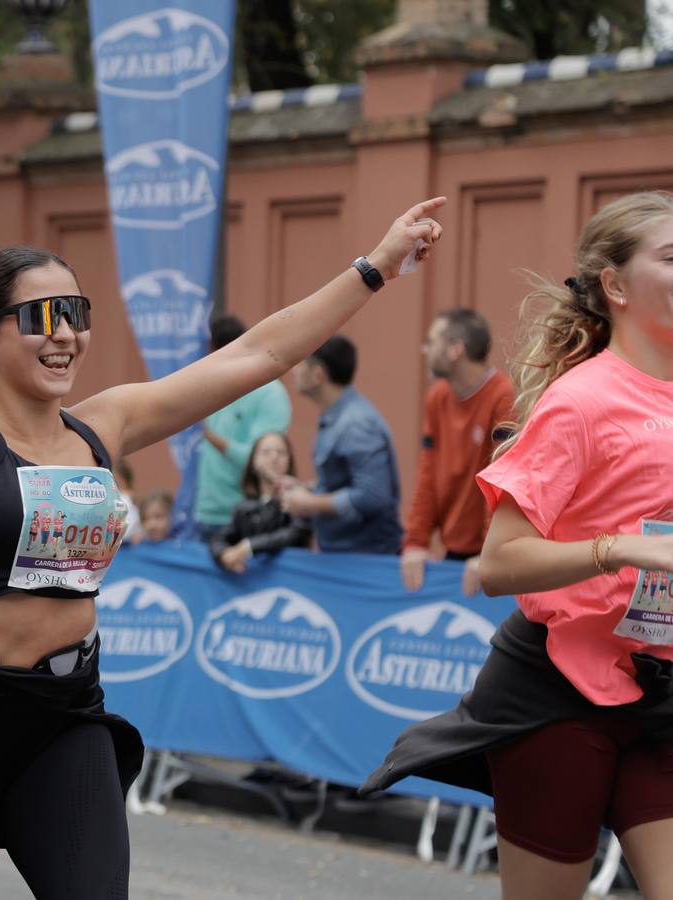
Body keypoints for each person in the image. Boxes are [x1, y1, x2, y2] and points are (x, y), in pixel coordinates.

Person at [0, 148, 443, 898]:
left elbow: (257, 353)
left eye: (75, 314)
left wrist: (377, 267)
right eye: (40, 317)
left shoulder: (105, 425)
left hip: (65, 721)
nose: (65, 334)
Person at [363, 191, 673, 900]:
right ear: (616, 286)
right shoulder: (581, 400)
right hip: (557, 693)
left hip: (658, 690)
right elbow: (499, 563)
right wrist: (620, 549)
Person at [400, 309, 514, 596]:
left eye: (432, 341)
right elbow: (428, 474)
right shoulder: (437, 397)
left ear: (455, 349)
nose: (424, 349)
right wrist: (416, 543)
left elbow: (505, 479)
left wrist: (492, 553)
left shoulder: (503, 396)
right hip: (455, 551)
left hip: (491, 554)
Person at [280, 335, 403, 554]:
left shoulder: (356, 424)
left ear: (318, 375)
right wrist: (308, 490)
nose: (294, 370)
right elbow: (342, 483)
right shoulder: (337, 416)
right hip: (345, 555)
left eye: (301, 363)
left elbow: (372, 497)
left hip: (366, 560)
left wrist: (309, 504)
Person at [193, 315, 292, 543]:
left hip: (247, 516)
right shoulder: (212, 385)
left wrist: (213, 438)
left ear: (216, 349)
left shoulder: (270, 394)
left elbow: (262, 460)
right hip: (203, 514)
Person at [211, 432, 312, 574]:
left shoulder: (300, 499)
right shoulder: (243, 507)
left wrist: (248, 547)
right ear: (253, 461)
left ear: (290, 460)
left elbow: (296, 533)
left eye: (281, 452)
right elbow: (219, 539)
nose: (274, 457)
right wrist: (223, 555)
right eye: (266, 452)